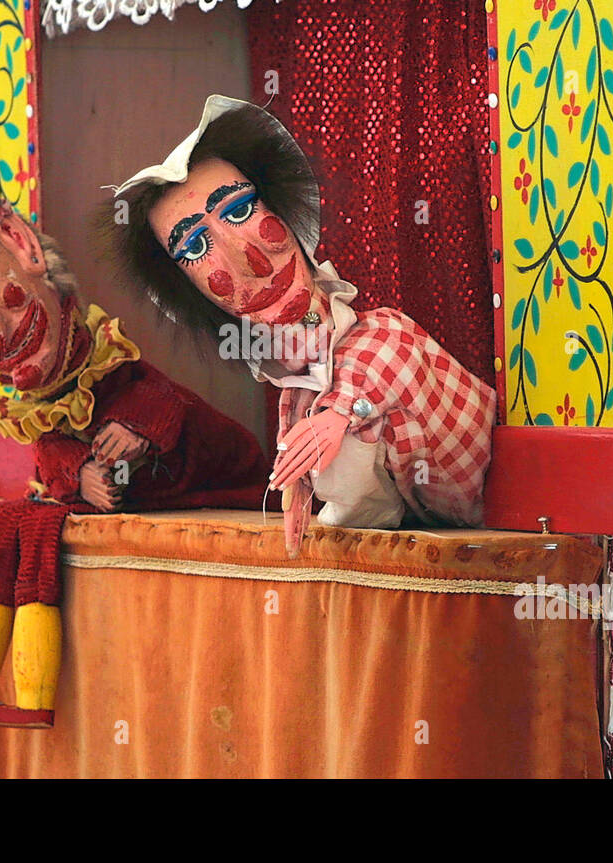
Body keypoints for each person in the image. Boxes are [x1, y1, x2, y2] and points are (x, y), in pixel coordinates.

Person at [0, 139, 268, 727]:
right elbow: (54, 453)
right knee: (17, 530)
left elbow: (161, 401)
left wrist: (138, 430)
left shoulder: (101, 358)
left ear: (18, 243)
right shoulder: (34, 403)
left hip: (237, 510)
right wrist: (81, 476)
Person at [96, 96, 496, 556]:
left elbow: (390, 347)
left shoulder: (377, 339)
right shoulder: (297, 392)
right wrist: (299, 490)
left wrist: (342, 414)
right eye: (197, 246)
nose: (248, 259)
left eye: (242, 210)